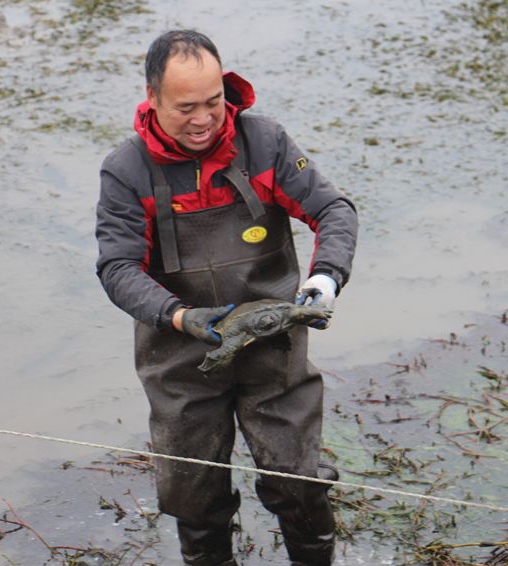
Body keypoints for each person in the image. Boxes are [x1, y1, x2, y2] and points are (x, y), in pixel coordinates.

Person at [95, 30, 358, 566]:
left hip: (273, 348)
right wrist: (182, 317)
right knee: (195, 497)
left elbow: (334, 211)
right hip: (181, 357)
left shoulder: (264, 143)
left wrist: (325, 278)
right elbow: (117, 268)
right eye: (185, 107)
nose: (204, 119)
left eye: (213, 102)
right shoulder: (126, 171)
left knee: (300, 483)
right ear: (152, 98)